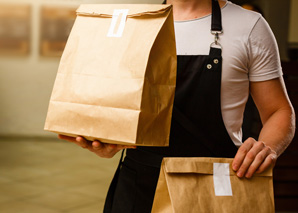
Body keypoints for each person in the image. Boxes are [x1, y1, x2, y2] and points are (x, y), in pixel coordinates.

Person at [58, 0, 296, 212]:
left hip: (214, 184)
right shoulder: (136, 24)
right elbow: (115, 105)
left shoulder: (250, 25)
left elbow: (279, 111)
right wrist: (105, 141)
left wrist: (269, 147)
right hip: (139, 183)